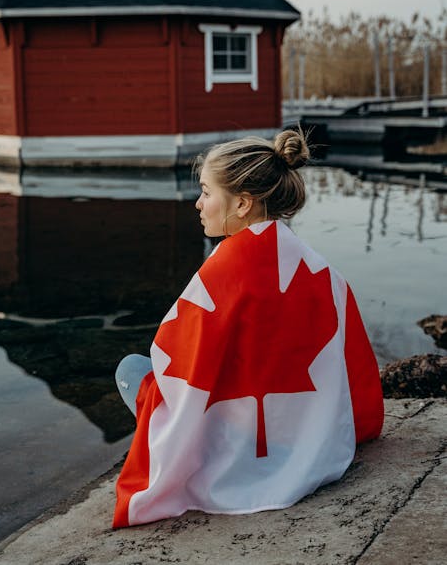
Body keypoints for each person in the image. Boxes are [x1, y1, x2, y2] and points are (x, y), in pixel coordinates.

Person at [112, 129, 384, 528]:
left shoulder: (217, 278)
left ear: (241, 203)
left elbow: (177, 374)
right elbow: (354, 367)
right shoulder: (324, 274)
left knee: (131, 369)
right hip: (308, 436)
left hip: (238, 440)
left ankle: (218, 453)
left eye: (206, 192)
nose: (198, 204)